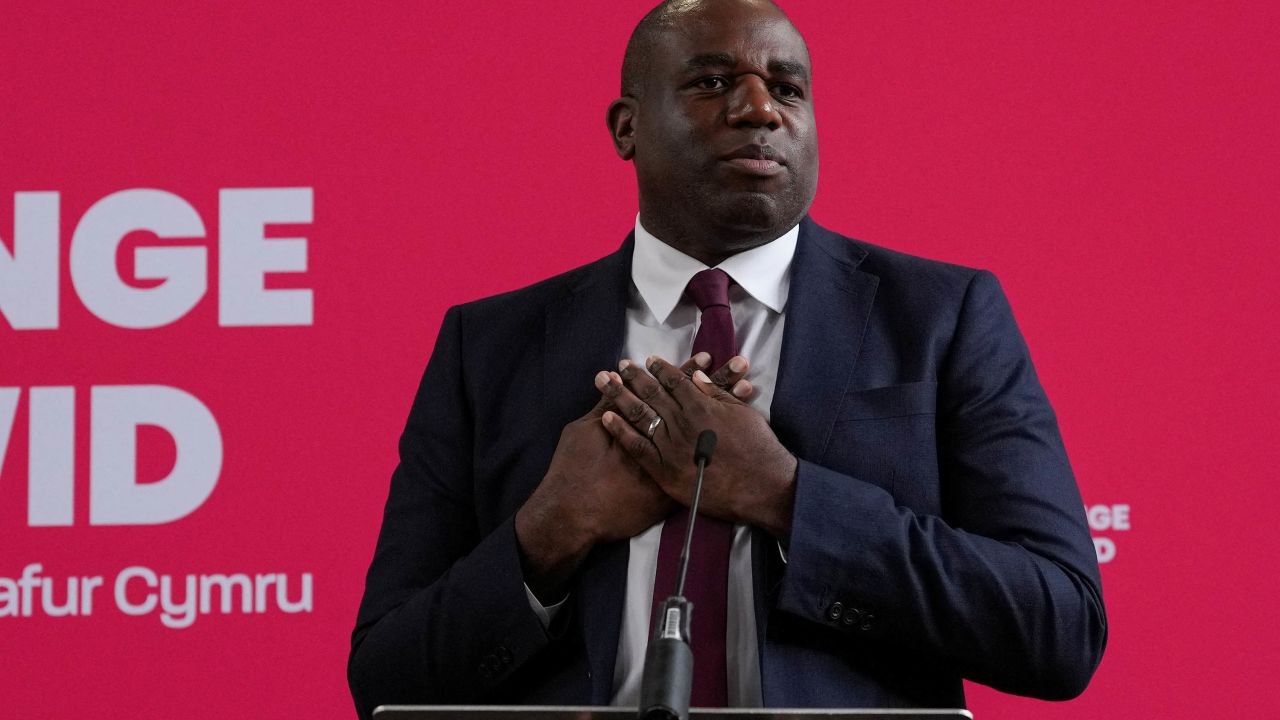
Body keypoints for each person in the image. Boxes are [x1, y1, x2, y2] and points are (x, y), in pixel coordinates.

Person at [347, 0, 1107, 716]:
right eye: (713, 82)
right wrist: (550, 529)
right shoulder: (490, 346)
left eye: (787, 87)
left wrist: (786, 497)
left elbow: (1059, 625)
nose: (759, 109)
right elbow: (383, 678)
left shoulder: (941, 317)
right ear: (627, 128)